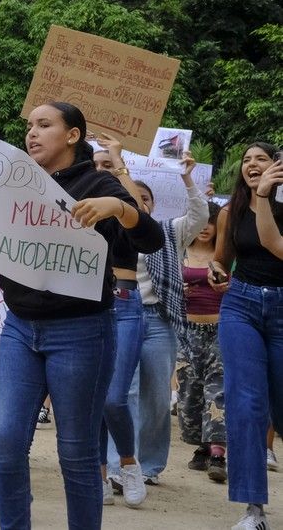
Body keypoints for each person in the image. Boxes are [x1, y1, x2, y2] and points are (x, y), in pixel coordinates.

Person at [0, 102, 162, 530]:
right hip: (19, 328)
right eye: (30, 126)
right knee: (5, 441)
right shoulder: (14, 179)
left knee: (77, 451)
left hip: (82, 332)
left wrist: (118, 208)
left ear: (73, 135)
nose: (32, 133)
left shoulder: (99, 183)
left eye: (44, 125)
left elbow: (150, 238)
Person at [93, 137, 207, 496]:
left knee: (157, 394)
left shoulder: (169, 231)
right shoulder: (105, 227)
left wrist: (187, 179)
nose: (138, 202)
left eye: (145, 198)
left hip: (157, 320)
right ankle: (117, 466)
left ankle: (151, 465)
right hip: (117, 312)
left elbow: (201, 216)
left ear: (152, 205)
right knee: (121, 392)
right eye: (133, 197)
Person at [211, 142, 283, 530]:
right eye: (246, 160)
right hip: (240, 305)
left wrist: (266, 197)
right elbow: (221, 259)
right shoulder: (231, 211)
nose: (252, 164)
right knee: (246, 404)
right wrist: (216, 270)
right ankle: (253, 510)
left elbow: (274, 245)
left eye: (262, 159)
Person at [178, 201, 227, 482]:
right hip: (186, 330)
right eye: (202, 221)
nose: (206, 227)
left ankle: (218, 452)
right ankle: (203, 445)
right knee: (189, 391)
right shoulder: (179, 251)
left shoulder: (226, 255)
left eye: (212, 221)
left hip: (220, 329)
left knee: (218, 390)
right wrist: (178, 289)